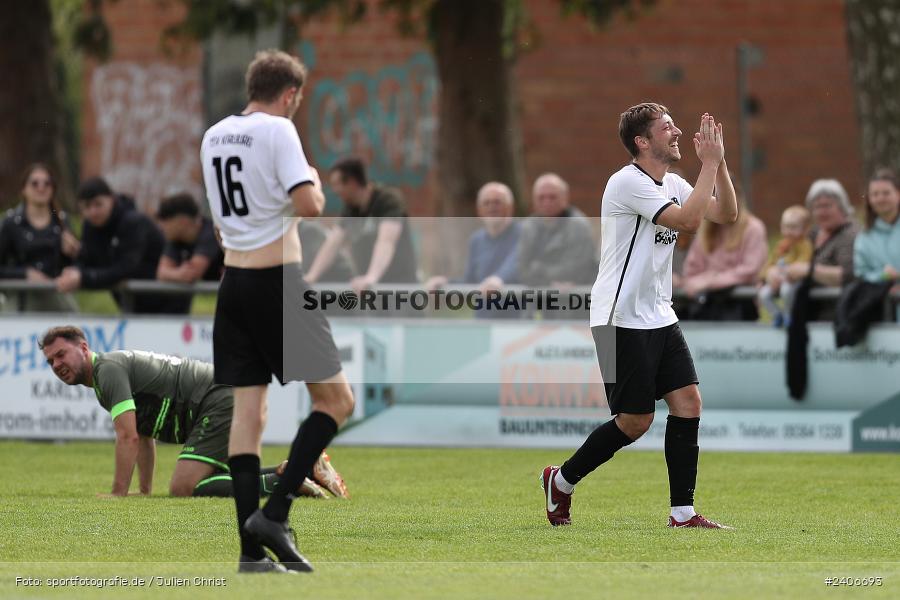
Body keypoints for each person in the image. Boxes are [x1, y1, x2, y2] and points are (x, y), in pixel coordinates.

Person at [541, 104, 737, 529]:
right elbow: (688, 220)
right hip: (618, 317)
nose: (678, 131)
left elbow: (726, 214)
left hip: (658, 314)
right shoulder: (627, 182)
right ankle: (562, 480)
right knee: (635, 421)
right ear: (642, 142)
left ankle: (682, 513)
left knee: (688, 403)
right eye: (667, 127)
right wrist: (708, 165)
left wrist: (717, 164)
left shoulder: (674, 182)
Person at [200, 49, 355, 574]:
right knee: (337, 400)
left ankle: (249, 553)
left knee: (249, 414)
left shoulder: (214, 134)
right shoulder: (278, 131)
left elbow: (223, 224)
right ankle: (276, 512)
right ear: (290, 94)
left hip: (232, 282)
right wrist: (310, 177)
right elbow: (310, 206)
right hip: (277, 281)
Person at [39, 325, 349, 500]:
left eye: (61, 354)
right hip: (220, 395)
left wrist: (118, 495)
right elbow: (144, 435)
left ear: (83, 348)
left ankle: (289, 484)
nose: (57, 365)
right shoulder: (105, 376)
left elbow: (128, 437)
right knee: (211, 480)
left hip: (217, 398)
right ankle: (302, 469)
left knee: (184, 488)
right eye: (51, 361)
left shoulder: (107, 371)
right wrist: (143, 492)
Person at [304, 157, 418, 292]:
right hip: (369, 292)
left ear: (352, 182)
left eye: (337, 184)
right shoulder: (351, 209)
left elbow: (386, 242)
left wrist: (371, 278)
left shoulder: (387, 200)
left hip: (400, 288)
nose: (334, 191)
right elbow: (332, 244)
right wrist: (311, 277)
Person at [57, 177, 169, 313]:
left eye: (98, 204)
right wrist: (74, 270)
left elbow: (126, 268)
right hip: (131, 305)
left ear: (111, 199)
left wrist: (82, 277)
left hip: (165, 303)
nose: (93, 211)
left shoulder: (133, 222)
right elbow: (88, 259)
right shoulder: (90, 226)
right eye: (87, 207)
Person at [426, 181, 520, 309]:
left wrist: (498, 280)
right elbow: (470, 282)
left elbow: (515, 262)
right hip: (484, 318)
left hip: (516, 319)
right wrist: (444, 283)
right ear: (479, 210)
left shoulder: (524, 235)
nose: (492, 207)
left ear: (510, 207)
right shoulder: (476, 241)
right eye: (486, 203)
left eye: (497, 202)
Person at [0, 163, 80, 312]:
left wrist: (74, 253)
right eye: (34, 183)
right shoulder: (11, 223)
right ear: (24, 189)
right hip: (22, 301)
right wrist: (25, 274)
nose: (41, 187)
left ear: (53, 189)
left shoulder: (61, 220)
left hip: (57, 297)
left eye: (47, 183)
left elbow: (77, 264)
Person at [679, 197, 768, 321]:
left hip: (740, 302)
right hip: (706, 302)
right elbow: (691, 271)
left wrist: (712, 280)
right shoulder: (705, 230)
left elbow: (750, 270)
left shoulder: (753, 228)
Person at [784, 179, 858, 320]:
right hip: (808, 315)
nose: (821, 212)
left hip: (838, 316)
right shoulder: (812, 233)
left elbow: (849, 274)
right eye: (817, 207)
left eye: (827, 206)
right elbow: (787, 258)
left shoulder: (850, 234)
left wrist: (809, 270)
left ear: (842, 207)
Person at [517, 173, 596, 287]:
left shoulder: (579, 226)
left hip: (572, 298)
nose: (547, 202)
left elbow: (578, 267)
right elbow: (522, 269)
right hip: (536, 298)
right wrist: (548, 282)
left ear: (565, 198)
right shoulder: (528, 227)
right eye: (541, 197)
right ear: (534, 200)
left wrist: (539, 269)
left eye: (552, 197)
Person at [155, 193, 225, 314]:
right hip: (200, 312)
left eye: (166, 221)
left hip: (223, 307)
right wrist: (179, 274)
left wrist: (174, 273)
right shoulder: (176, 239)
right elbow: (161, 273)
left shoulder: (210, 232)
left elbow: (192, 274)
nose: (162, 227)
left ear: (182, 221)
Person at [757, 205, 814, 327]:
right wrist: (764, 277)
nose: (788, 231)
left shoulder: (804, 245)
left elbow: (803, 261)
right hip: (777, 279)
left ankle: (789, 314)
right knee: (763, 294)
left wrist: (786, 273)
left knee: (786, 291)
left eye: (793, 227)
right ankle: (777, 314)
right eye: (786, 227)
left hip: (792, 280)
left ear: (805, 229)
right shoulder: (782, 245)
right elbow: (771, 262)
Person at [854, 169, 900, 287]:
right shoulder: (864, 237)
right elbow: (861, 275)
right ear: (869, 199)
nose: (880, 199)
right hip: (882, 303)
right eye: (875, 194)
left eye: (886, 193)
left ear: (898, 194)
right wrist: (882, 275)